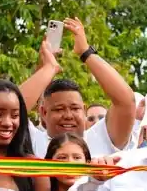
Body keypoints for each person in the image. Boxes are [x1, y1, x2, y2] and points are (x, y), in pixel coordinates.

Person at [20, 19, 138, 158]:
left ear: (84, 110)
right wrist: (48, 68)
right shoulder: (32, 142)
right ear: (43, 112)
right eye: (59, 109)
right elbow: (13, 108)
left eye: (75, 108)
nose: (68, 116)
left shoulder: (102, 139)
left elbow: (126, 101)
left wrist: (85, 52)